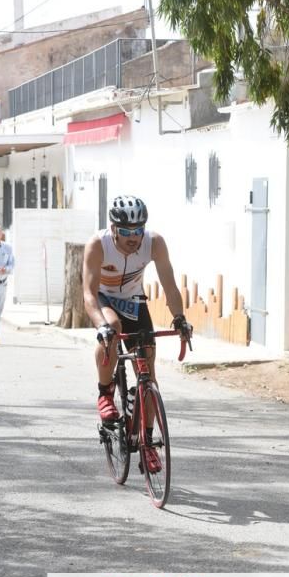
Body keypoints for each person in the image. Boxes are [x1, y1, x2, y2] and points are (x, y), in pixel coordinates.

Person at [83, 195, 192, 472]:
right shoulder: (98, 244)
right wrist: (100, 325)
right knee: (113, 328)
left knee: (148, 374)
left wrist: (179, 318)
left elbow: (169, 285)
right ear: (114, 228)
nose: (134, 237)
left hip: (134, 303)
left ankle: (147, 442)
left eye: (138, 230)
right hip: (105, 300)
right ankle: (105, 393)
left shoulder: (154, 242)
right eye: (127, 231)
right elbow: (88, 294)